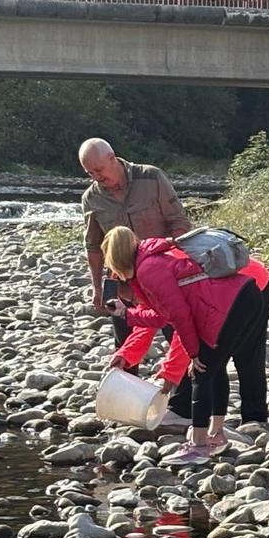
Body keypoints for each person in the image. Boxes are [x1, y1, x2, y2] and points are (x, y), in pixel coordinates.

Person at [101, 227, 267, 466]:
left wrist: (193, 353)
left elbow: (180, 316)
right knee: (214, 367)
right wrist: (127, 315)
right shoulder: (149, 261)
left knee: (201, 370)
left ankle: (199, 446)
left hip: (234, 300)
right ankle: (216, 435)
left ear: (116, 259)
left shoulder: (148, 270)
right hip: (240, 296)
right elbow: (163, 316)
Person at [79, 138, 194, 425]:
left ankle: (182, 408)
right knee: (125, 339)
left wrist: (183, 269)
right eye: (89, 173)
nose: (97, 177)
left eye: (98, 170)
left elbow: (178, 223)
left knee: (177, 334)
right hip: (117, 277)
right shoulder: (91, 198)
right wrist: (97, 286)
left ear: (112, 158)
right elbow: (94, 246)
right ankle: (128, 406)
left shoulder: (151, 178)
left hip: (161, 273)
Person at [114, 254, 269, 426]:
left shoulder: (156, 278)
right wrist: (126, 355)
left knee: (240, 354)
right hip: (224, 286)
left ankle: (253, 420)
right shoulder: (142, 278)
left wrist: (171, 373)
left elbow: (185, 326)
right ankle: (204, 420)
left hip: (250, 284)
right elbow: (150, 318)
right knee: (209, 361)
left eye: (131, 299)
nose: (133, 303)